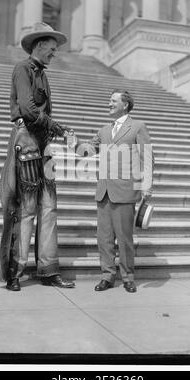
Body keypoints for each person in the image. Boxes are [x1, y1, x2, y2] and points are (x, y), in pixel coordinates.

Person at [0, 22, 75, 291]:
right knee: (27, 209)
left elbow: (39, 113)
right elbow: (28, 110)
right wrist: (57, 127)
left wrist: (54, 129)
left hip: (42, 146)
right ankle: (14, 273)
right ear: (39, 46)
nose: (54, 54)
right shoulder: (23, 69)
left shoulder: (42, 73)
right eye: (52, 50)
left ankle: (48, 270)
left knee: (49, 208)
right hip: (28, 144)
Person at [68, 90, 154, 292]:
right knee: (104, 238)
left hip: (125, 191)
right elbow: (87, 150)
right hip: (104, 191)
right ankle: (107, 275)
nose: (109, 103)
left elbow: (147, 157)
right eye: (109, 101)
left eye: (113, 101)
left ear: (125, 105)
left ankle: (127, 277)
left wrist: (146, 184)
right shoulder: (104, 130)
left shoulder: (138, 127)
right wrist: (74, 144)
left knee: (124, 238)